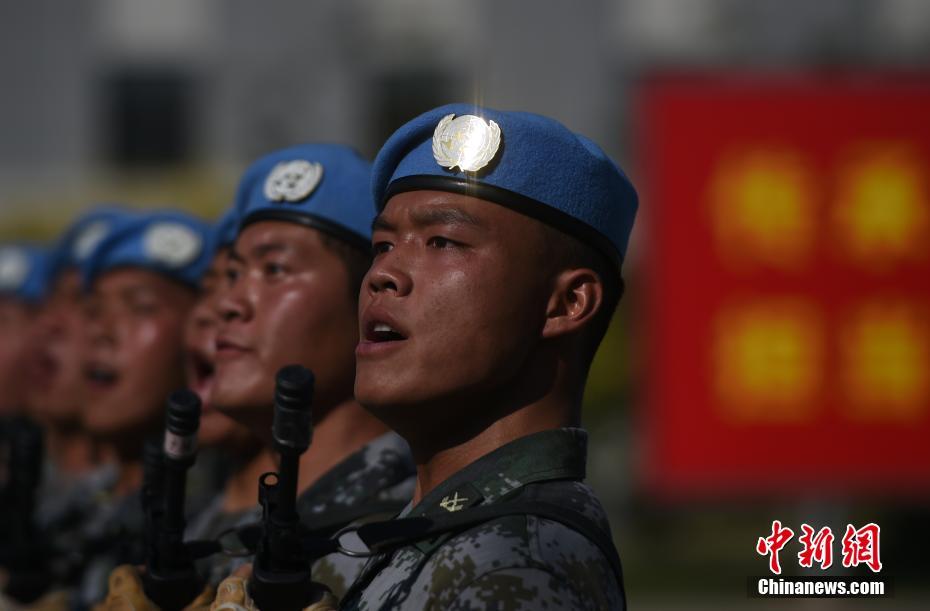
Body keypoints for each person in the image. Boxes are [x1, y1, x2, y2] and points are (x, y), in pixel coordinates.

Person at [340, 104, 638, 610]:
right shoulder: (442, 530)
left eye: (443, 241)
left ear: (568, 303)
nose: (383, 274)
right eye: (383, 244)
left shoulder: (519, 564)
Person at [210, 144, 415, 598]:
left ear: (369, 298)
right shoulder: (212, 527)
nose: (228, 304)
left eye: (275, 269)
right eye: (233, 275)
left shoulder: (408, 535)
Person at [77, 209, 214, 607]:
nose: (102, 331)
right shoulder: (82, 509)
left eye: (140, 307)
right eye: (95, 311)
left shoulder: (209, 515)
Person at [183, 209, 275, 586]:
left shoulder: (361, 530)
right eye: (209, 288)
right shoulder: (201, 516)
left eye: (274, 271)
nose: (217, 308)